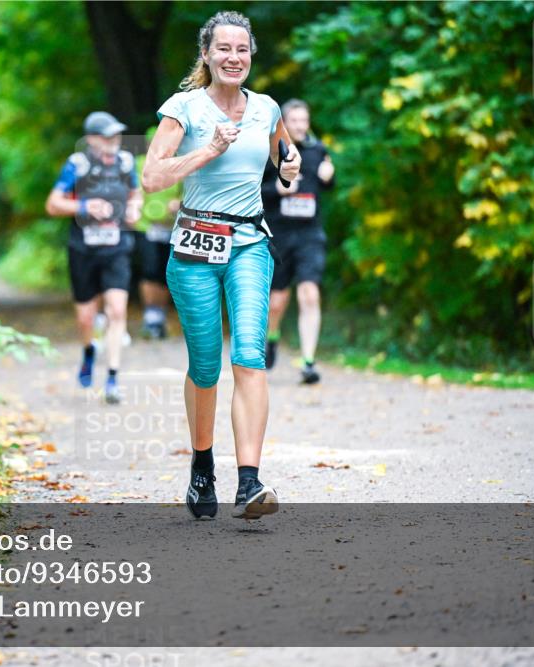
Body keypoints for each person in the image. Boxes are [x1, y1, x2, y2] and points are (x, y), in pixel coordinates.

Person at [143, 11, 300, 520]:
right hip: (194, 247)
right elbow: (152, 178)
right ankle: (202, 466)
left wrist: (290, 167)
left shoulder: (267, 107)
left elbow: (285, 157)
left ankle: (250, 483)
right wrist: (207, 150)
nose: (234, 58)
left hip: (250, 242)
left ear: (251, 55)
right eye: (224, 49)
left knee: (250, 354)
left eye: (242, 50)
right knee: (206, 365)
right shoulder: (183, 108)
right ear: (207, 55)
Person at [45, 111, 143, 405]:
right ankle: (89, 350)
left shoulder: (125, 162)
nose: (113, 140)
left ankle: (112, 378)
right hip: (83, 249)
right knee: (86, 318)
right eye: (107, 136)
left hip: (116, 247)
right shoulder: (78, 164)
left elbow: (135, 194)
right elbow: (52, 204)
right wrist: (85, 206)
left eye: (116, 135)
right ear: (90, 140)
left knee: (116, 311)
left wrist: (134, 209)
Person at [261, 99, 335, 384]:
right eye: (295, 121)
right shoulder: (271, 153)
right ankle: (272, 337)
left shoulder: (318, 150)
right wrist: (278, 190)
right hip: (279, 233)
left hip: (310, 235)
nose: (301, 126)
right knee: (277, 302)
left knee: (309, 294)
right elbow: (256, 191)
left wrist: (329, 177)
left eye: (305, 120)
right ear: (284, 124)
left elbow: (327, 185)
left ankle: (308, 362)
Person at [135, 126, 180, 340]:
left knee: (166, 272)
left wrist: (179, 203)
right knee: (149, 270)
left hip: (171, 227)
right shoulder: (140, 164)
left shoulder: (180, 164)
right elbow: (134, 190)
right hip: (147, 226)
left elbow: (188, 192)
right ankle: (150, 315)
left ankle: (158, 317)